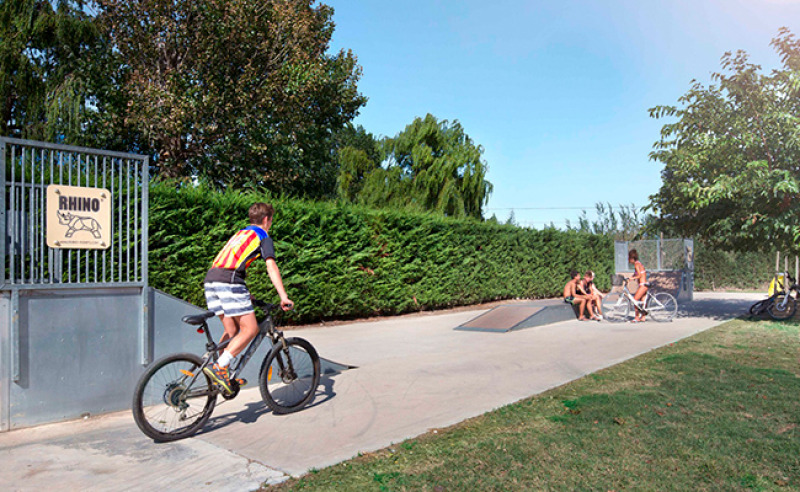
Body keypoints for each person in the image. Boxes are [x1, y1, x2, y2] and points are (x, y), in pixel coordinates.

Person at [202, 202, 293, 393]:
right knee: (250, 329)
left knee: (232, 330)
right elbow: (271, 266)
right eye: (271, 220)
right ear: (267, 220)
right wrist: (283, 296)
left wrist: (243, 293)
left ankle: (221, 371)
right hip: (229, 282)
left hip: (211, 281)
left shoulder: (240, 234)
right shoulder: (263, 236)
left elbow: (231, 262)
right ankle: (219, 367)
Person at [628, 249, 648, 322]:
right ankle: (643, 317)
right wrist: (631, 277)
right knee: (642, 301)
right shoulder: (638, 263)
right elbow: (637, 273)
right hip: (644, 285)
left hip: (643, 285)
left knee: (635, 300)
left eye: (629, 258)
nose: (628, 260)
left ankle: (636, 317)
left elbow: (639, 275)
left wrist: (632, 278)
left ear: (632, 258)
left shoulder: (636, 264)